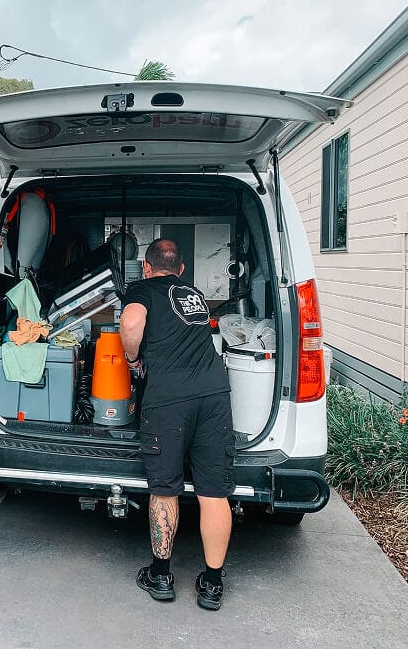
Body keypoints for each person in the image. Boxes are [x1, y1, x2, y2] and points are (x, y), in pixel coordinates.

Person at [118, 238, 234, 611]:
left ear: (147, 267)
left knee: (165, 488)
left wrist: (133, 360)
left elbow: (131, 322)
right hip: (214, 393)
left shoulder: (143, 288)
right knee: (214, 492)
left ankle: (161, 575)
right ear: (181, 268)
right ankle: (212, 584)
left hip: (168, 398)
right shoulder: (193, 292)